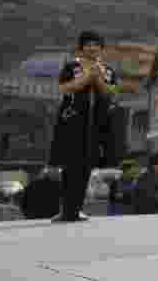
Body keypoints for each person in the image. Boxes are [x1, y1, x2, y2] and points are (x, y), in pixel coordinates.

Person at [48, 30, 120, 223]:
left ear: (101, 48)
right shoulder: (72, 67)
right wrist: (87, 78)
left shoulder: (108, 70)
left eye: (96, 44)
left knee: (86, 166)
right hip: (72, 122)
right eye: (88, 44)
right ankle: (66, 210)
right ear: (81, 47)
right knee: (69, 166)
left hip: (96, 124)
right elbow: (64, 88)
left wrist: (97, 79)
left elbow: (111, 94)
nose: (92, 48)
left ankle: (77, 208)